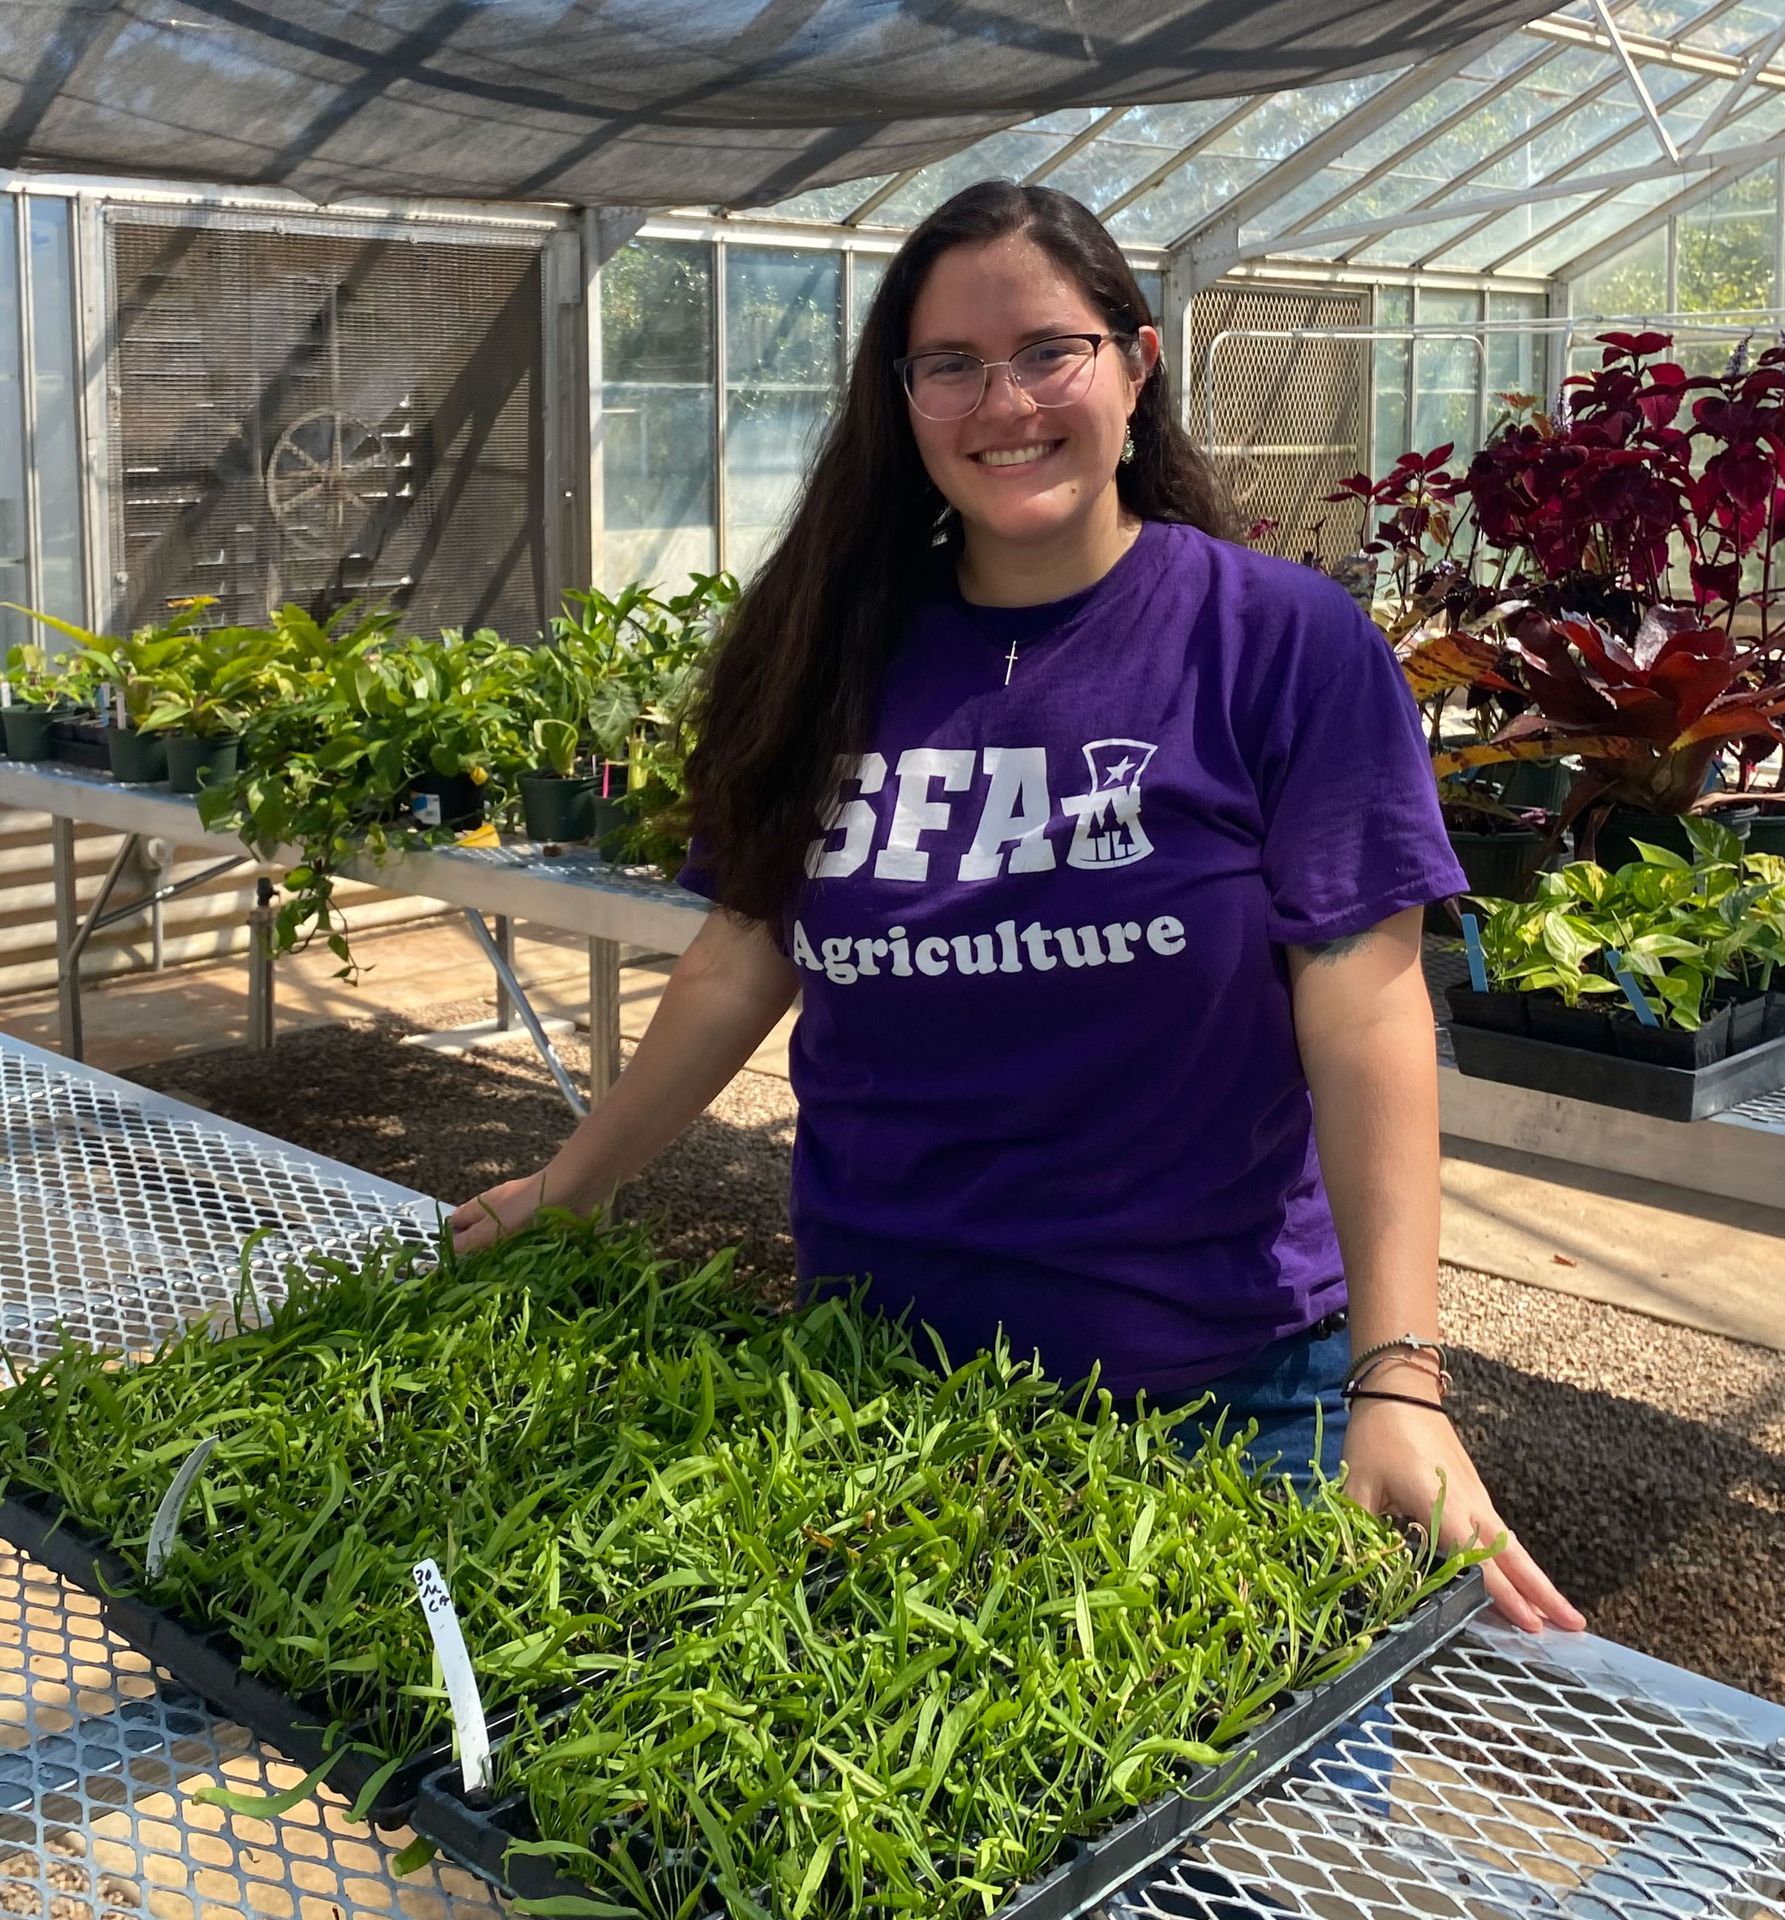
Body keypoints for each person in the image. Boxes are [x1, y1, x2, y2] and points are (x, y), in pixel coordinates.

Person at [452, 180, 1583, 1638]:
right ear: (902, 396)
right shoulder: (830, 646)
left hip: (1219, 1396)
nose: (1007, 402)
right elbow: (745, 953)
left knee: (1234, 1855)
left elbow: (1366, 1013)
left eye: (1049, 350)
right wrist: (573, 1184)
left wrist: (1400, 1379)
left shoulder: (1278, 647)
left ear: (1137, 360)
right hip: (873, 1385)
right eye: (952, 365)